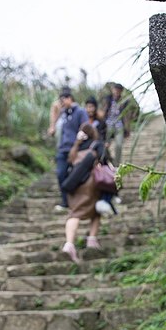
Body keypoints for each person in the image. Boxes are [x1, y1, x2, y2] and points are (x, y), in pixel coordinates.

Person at [61, 123, 104, 263]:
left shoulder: (75, 148)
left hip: (74, 184)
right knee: (96, 211)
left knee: (75, 213)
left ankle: (69, 244)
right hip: (90, 184)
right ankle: (91, 239)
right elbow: (104, 159)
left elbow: (68, 165)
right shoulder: (96, 144)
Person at [54, 90, 89, 211]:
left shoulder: (80, 111)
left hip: (76, 149)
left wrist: (78, 146)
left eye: (62, 100)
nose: (61, 103)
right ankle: (65, 201)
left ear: (69, 98)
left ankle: (78, 201)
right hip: (62, 149)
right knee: (60, 174)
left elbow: (85, 129)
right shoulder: (63, 113)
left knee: (76, 175)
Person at [86, 96, 116, 216]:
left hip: (101, 153)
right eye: (88, 106)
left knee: (105, 175)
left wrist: (105, 144)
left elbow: (106, 135)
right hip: (87, 153)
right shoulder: (84, 121)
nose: (90, 109)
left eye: (92, 106)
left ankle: (107, 200)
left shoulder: (101, 121)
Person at [101, 83, 132, 167]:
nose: (116, 92)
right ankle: (105, 160)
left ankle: (116, 165)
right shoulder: (108, 99)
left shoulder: (124, 101)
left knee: (119, 145)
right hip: (108, 125)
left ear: (121, 91)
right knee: (105, 144)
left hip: (119, 126)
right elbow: (103, 111)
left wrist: (127, 129)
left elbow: (127, 116)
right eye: (115, 90)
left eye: (118, 90)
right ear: (112, 90)